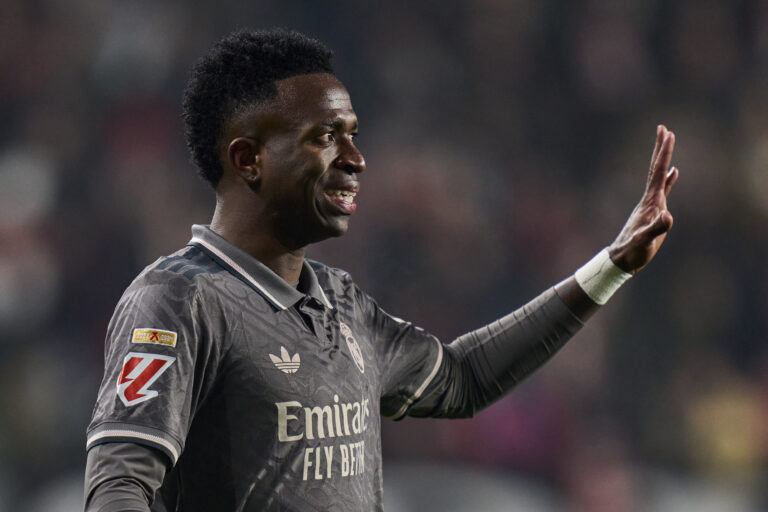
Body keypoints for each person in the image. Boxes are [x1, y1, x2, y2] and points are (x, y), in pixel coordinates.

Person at [84, 28, 679, 512]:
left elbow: (460, 379)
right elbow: (119, 486)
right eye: (326, 137)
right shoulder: (179, 300)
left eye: (353, 136)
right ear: (249, 159)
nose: (356, 159)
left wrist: (612, 266)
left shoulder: (339, 302)